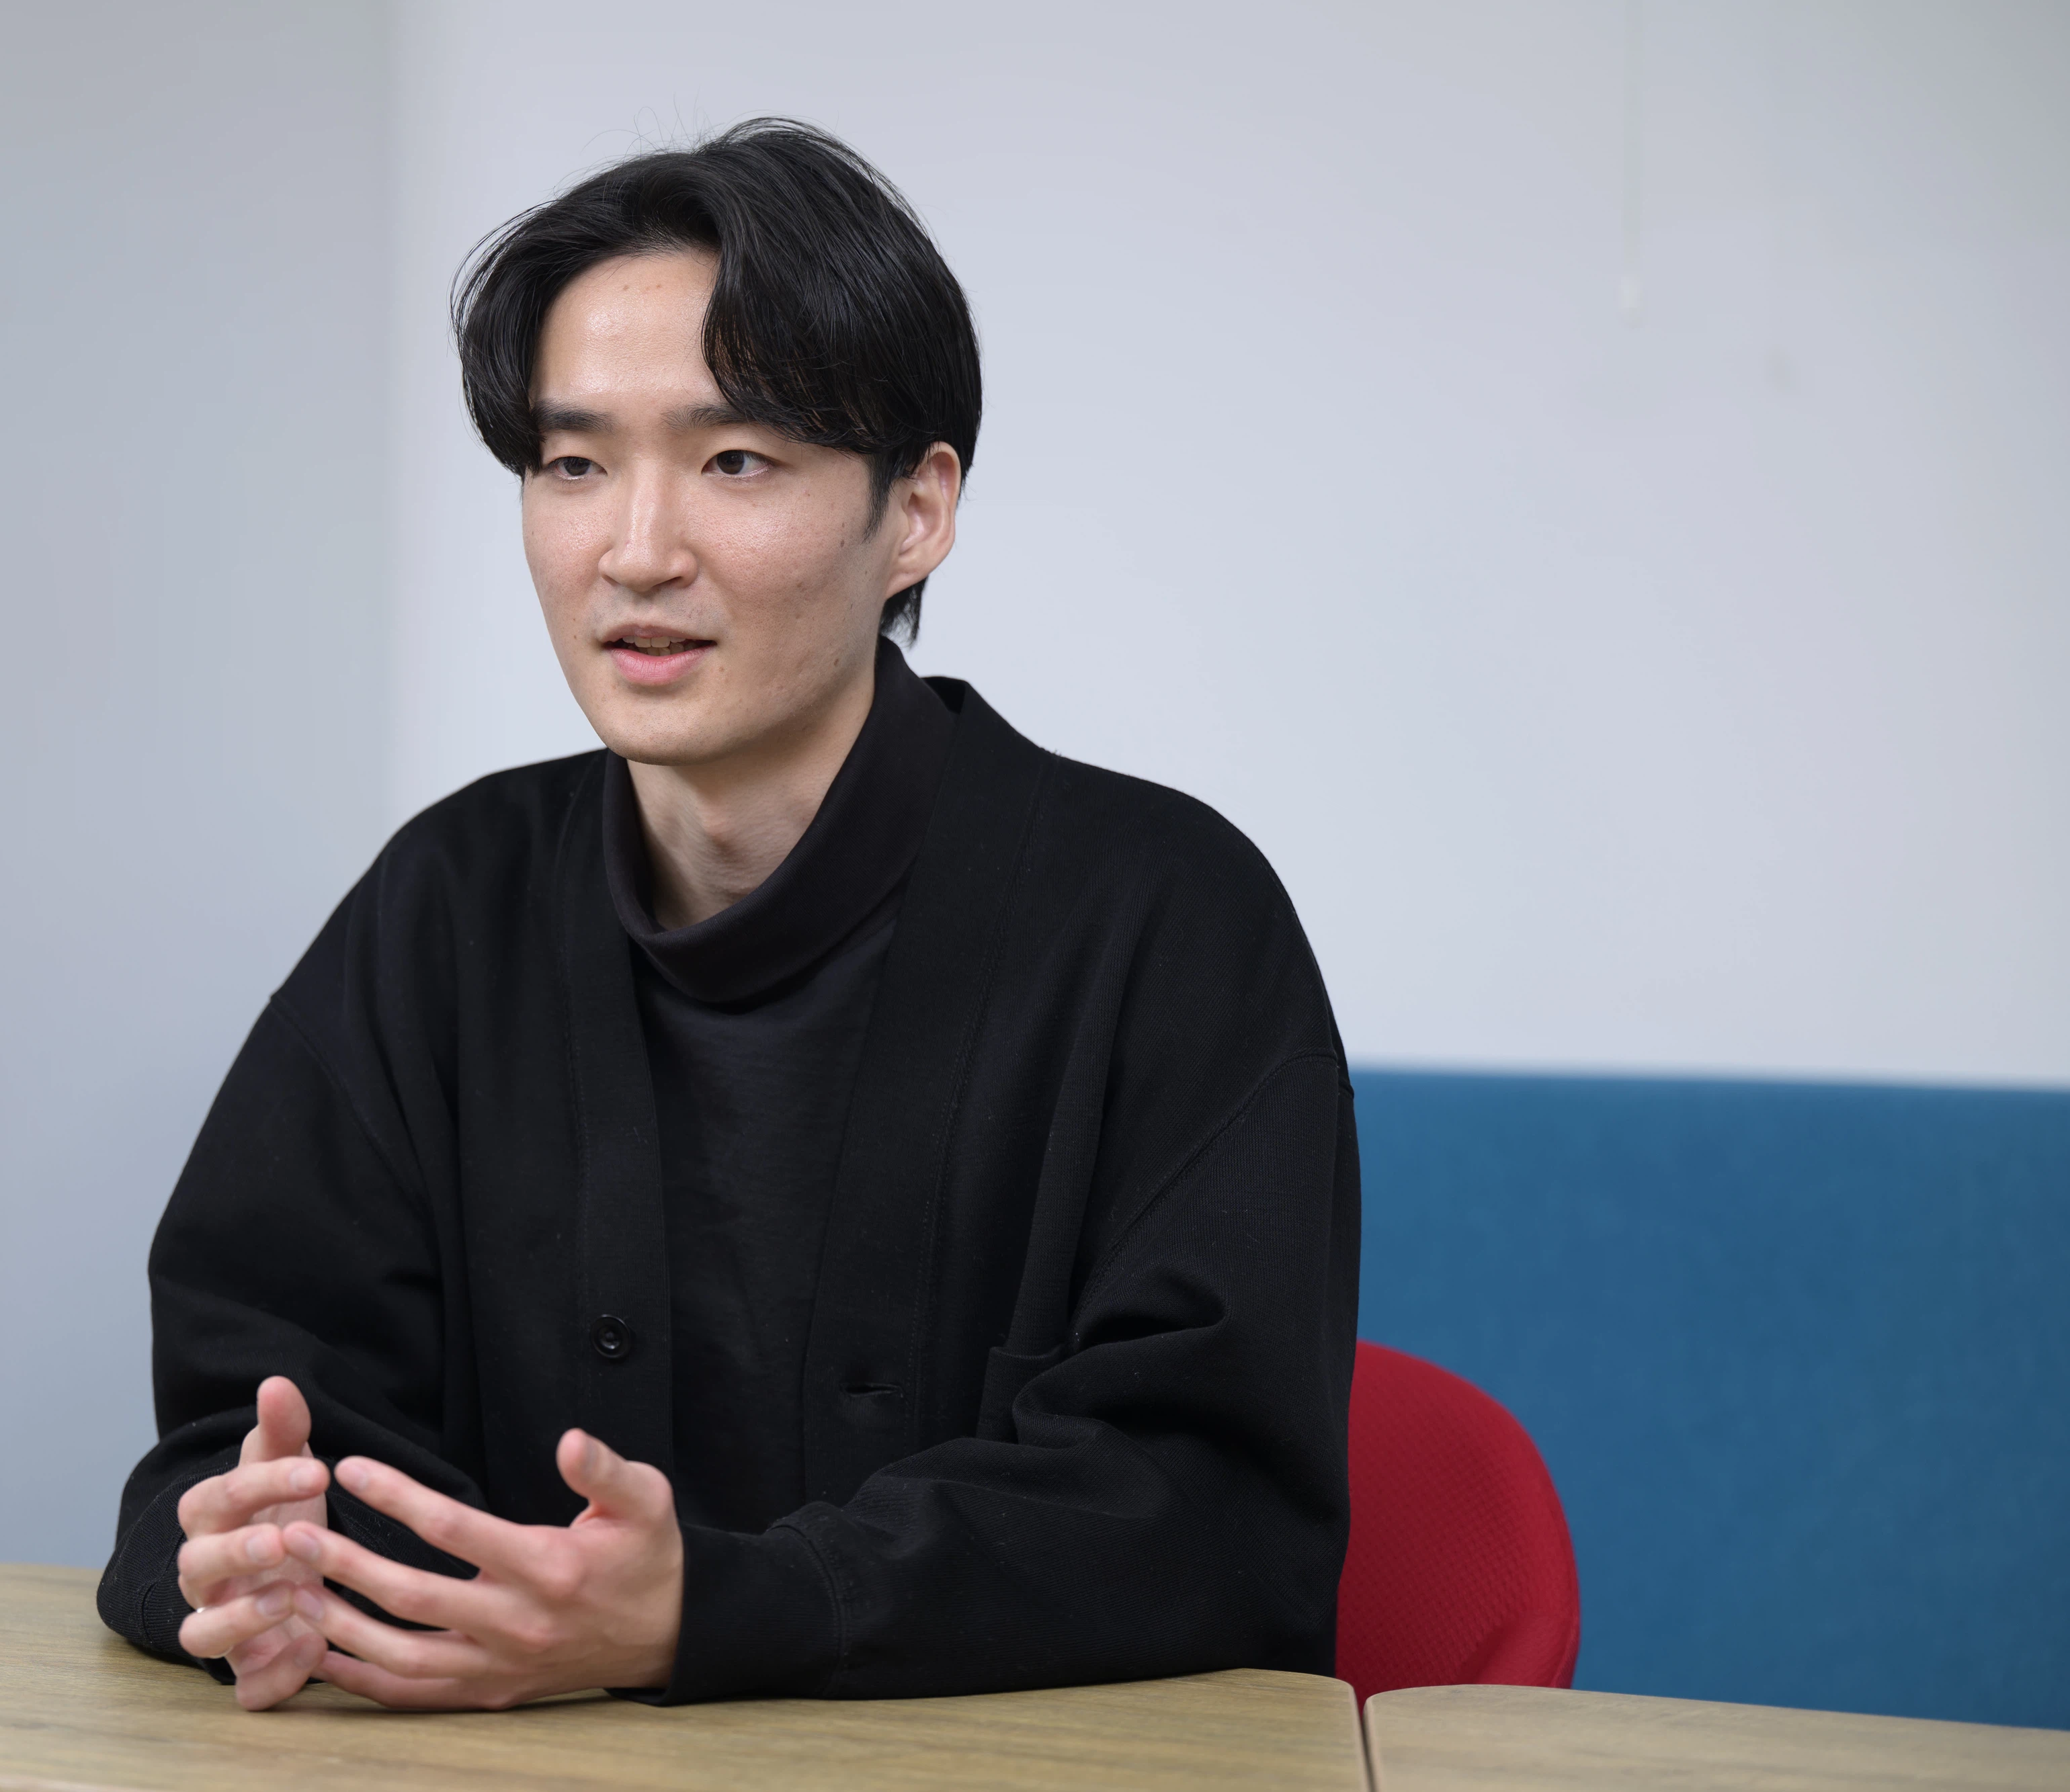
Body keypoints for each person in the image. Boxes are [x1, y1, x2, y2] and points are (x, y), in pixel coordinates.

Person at [96, 118, 1358, 1711]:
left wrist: (716, 1611)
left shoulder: (1167, 923)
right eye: (573, 465)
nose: (635, 551)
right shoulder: (445, 908)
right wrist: (249, 1560)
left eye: (734, 460)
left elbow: (1209, 1516)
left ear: (915, 510)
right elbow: (241, 1428)